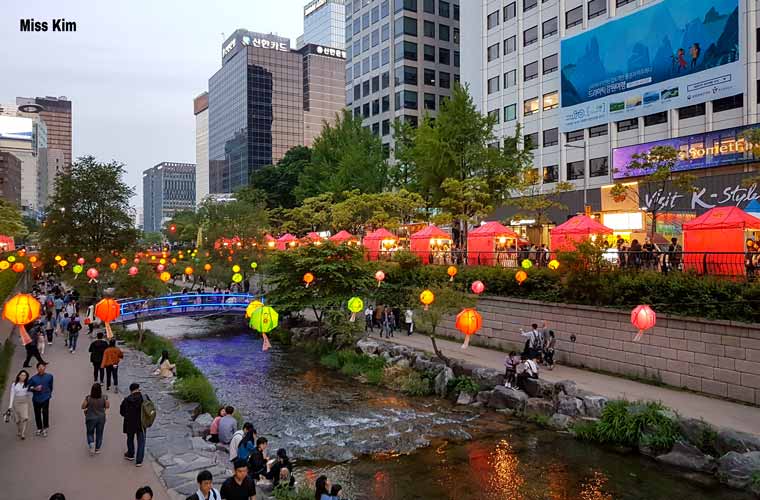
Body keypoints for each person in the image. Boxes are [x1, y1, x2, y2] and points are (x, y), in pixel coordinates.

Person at [120, 382, 146, 466]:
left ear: (130, 390)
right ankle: (139, 461)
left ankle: (130, 454)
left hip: (129, 423)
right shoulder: (144, 398)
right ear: (138, 388)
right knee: (141, 442)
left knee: (130, 439)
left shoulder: (126, 400)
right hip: (141, 423)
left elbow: (122, 412)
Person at [82, 382, 109, 454]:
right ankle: (97, 449)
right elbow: (107, 406)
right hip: (101, 418)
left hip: (90, 417)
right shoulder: (104, 397)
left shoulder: (88, 398)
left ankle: (91, 443)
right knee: (99, 433)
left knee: (90, 432)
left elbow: (83, 406)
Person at [28, 362, 54, 436]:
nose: (41, 368)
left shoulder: (50, 376)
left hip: (46, 397)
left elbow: (51, 386)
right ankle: (39, 428)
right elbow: (28, 388)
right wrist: (35, 389)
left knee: (45, 412)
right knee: (37, 413)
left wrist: (49, 394)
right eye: (39, 367)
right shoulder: (33, 378)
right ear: (37, 369)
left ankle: (45, 428)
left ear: (45, 368)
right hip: (36, 398)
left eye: (43, 367)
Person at [8, 369, 32, 439]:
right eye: (22, 375)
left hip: (24, 402)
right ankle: (19, 430)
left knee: (25, 418)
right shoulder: (14, 384)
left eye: (25, 375)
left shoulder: (27, 384)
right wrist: (10, 406)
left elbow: (29, 393)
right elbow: (12, 394)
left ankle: (23, 433)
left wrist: (32, 389)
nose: (23, 376)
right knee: (17, 420)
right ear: (19, 376)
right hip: (16, 402)